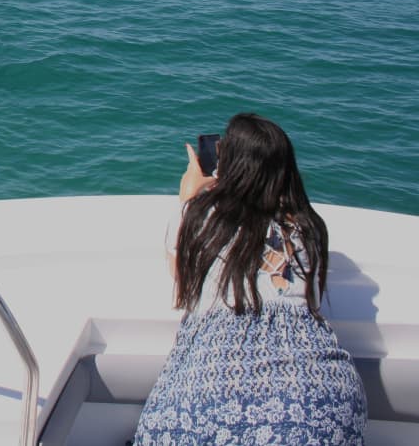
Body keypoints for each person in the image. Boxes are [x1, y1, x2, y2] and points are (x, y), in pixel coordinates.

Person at [132, 113, 367, 445]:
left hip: (208, 403)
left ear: (232, 168)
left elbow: (184, 284)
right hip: (323, 403)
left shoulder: (198, 217)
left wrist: (189, 198)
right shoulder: (309, 228)